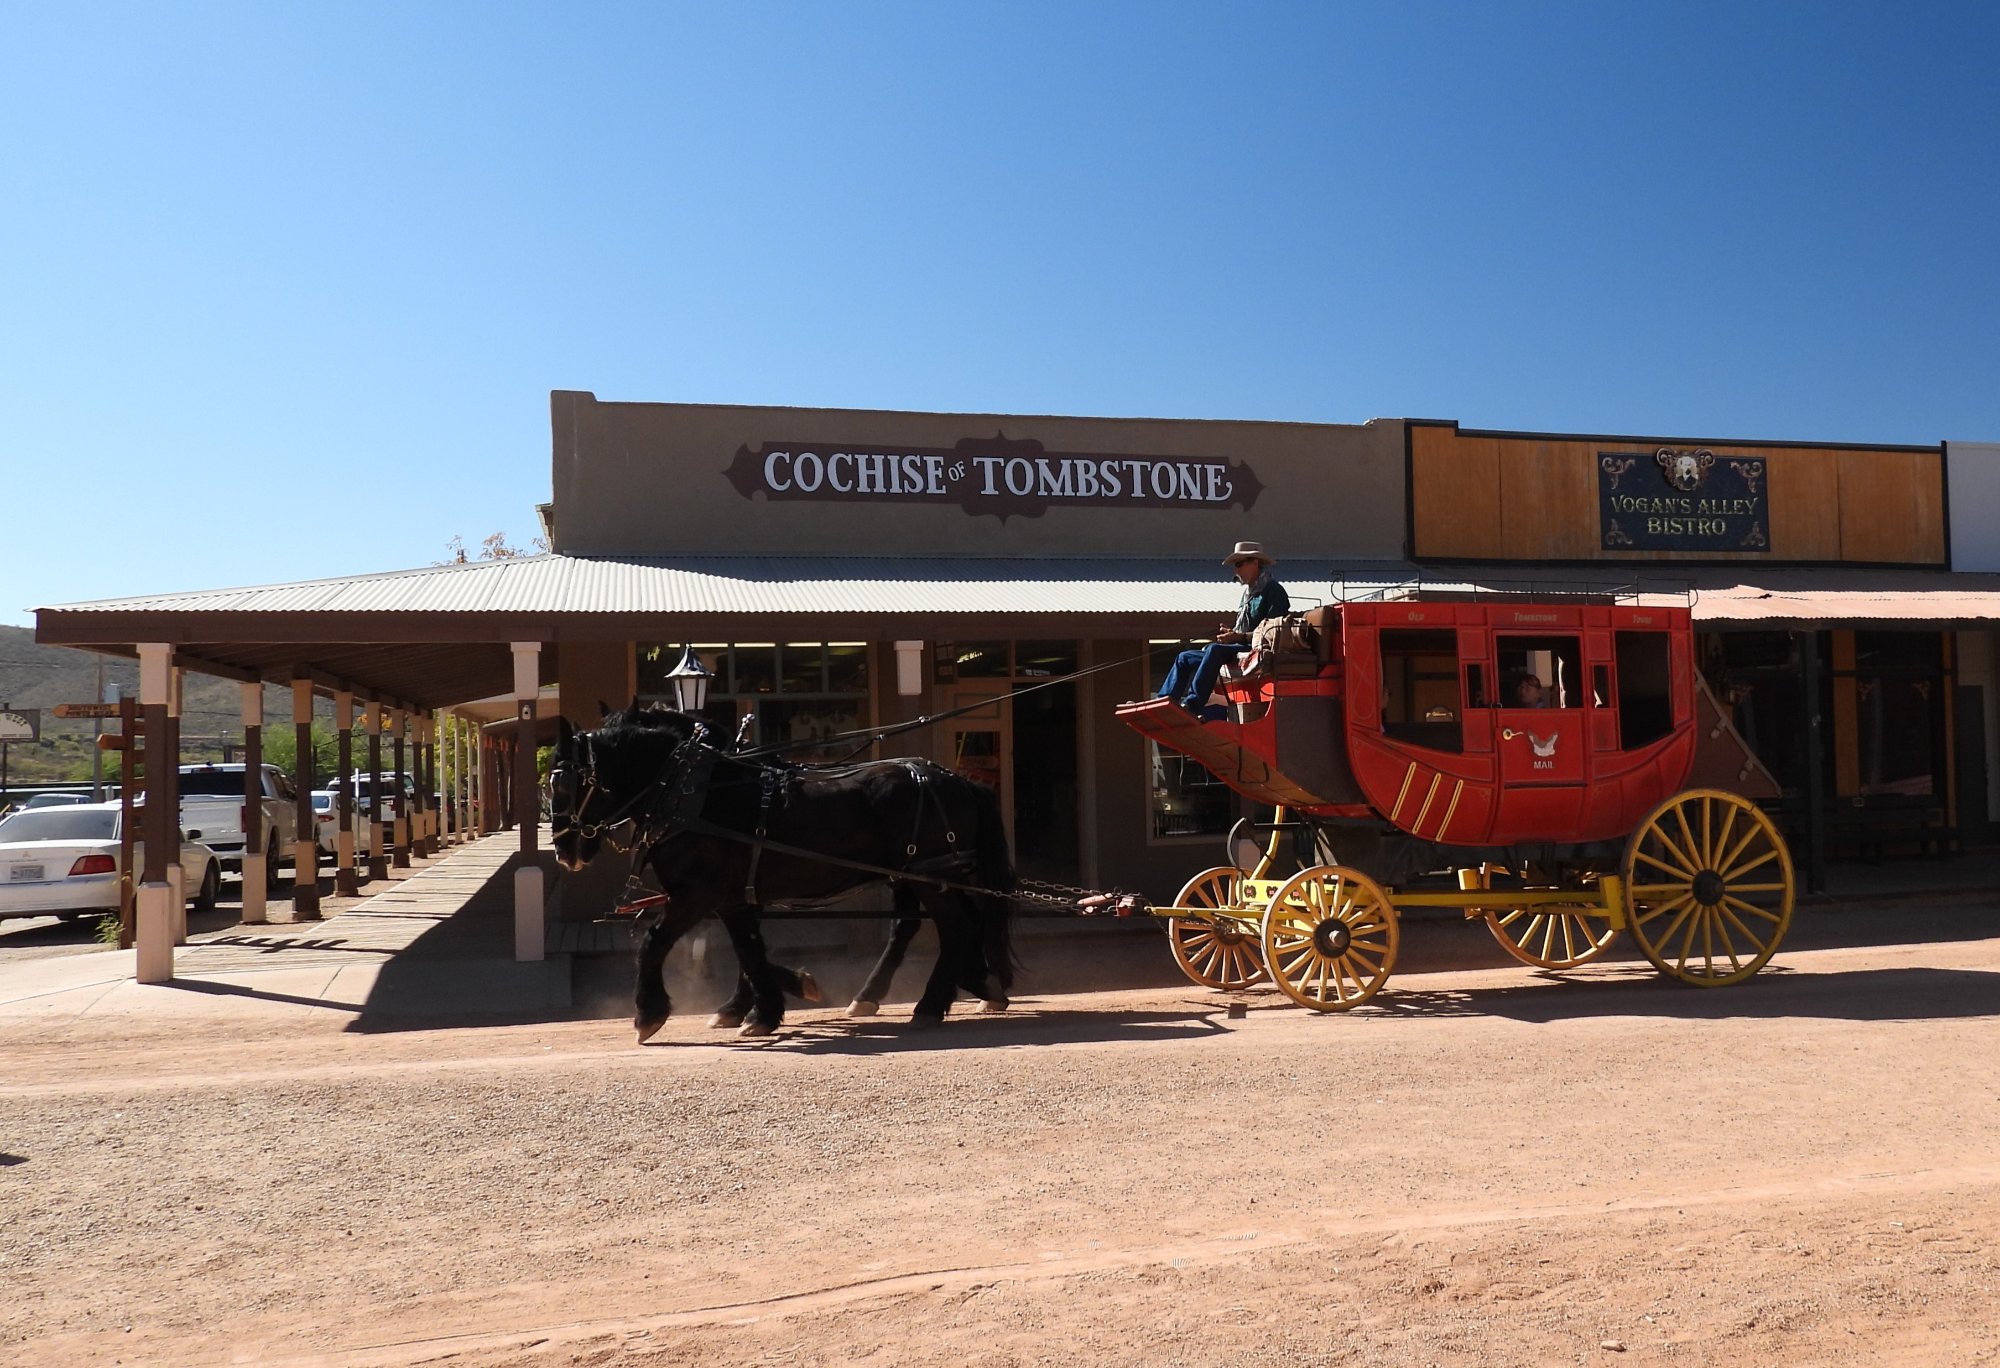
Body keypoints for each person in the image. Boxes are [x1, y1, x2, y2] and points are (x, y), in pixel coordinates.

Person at [1155, 541, 1289, 720]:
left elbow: (1273, 632)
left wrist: (1238, 636)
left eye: (1239, 564)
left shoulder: (1274, 591)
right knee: (1184, 658)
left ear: (1255, 563)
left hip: (1257, 650)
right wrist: (1231, 633)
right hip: (1239, 646)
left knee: (1214, 650)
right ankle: (1164, 703)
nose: (1236, 570)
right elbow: (1245, 627)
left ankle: (1193, 705)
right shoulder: (1249, 594)